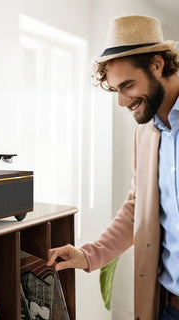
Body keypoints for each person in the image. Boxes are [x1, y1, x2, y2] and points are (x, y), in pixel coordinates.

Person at [47, 15, 179, 320]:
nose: (121, 101)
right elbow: (137, 207)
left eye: (128, 85)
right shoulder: (146, 134)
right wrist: (88, 255)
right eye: (115, 89)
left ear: (157, 65)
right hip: (169, 306)